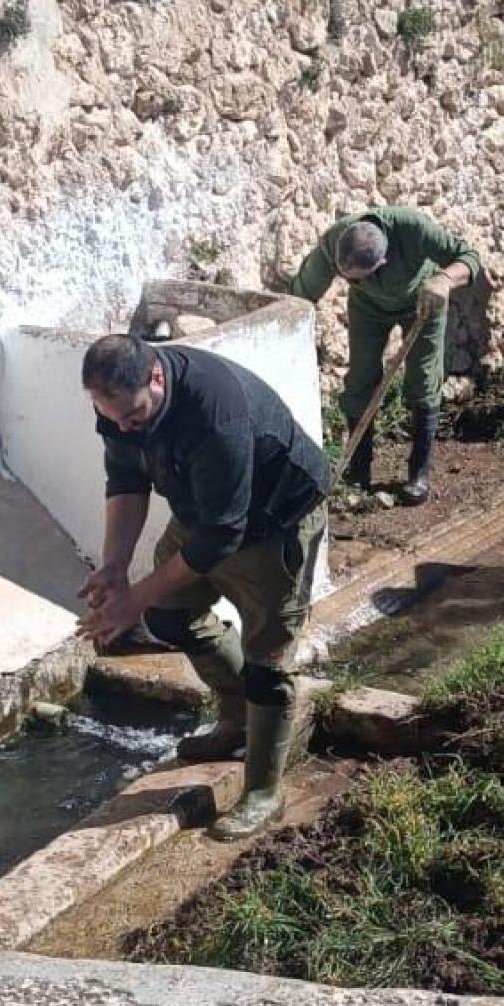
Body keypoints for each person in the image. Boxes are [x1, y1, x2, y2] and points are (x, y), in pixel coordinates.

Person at [77, 334, 331, 840]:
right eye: (114, 419)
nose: (124, 426)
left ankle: (263, 792)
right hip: (205, 514)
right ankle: (237, 718)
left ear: (155, 378)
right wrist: (114, 566)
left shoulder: (215, 410)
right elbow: (126, 480)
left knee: (269, 655)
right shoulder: (120, 408)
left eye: (134, 415)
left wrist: (134, 599)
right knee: (170, 613)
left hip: (274, 519)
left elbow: (222, 536)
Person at [289, 207, 482, 505]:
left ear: (383, 262)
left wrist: (444, 279)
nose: (352, 283)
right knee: (360, 379)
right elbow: (301, 295)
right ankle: (358, 472)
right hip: (368, 310)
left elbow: (468, 258)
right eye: (347, 279)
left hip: (423, 300)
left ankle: (418, 473)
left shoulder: (414, 229)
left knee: (423, 376)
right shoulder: (335, 241)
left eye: (359, 278)